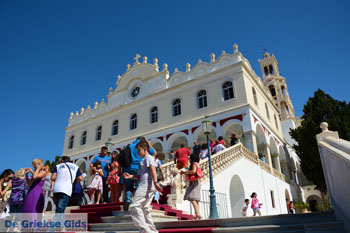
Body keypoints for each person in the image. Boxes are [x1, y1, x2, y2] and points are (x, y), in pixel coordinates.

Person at [123, 140, 162, 233]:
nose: (137, 152)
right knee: (145, 208)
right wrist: (130, 176)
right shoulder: (144, 159)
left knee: (134, 206)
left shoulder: (148, 157)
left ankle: (145, 230)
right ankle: (152, 230)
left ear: (145, 149)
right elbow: (140, 175)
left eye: (139, 150)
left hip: (146, 185)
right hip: (147, 184)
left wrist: (156, 182)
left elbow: (153, 169)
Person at [123, 137, 157, 211]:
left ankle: (128, 199)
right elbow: (154, 153)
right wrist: (149, 144)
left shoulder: (130, 146)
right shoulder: (142, 146)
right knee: (139, 185)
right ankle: (140, 202)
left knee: (129, 186)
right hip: (139, 167)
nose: (138, 152)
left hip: (130, 167)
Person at [181, 153, 202, 220]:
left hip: (194, 182)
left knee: (192, 197)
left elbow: (193, 171)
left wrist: (185, 172)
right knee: (195, 199)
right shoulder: (197, 164)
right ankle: (197, 214)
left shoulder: (194, 164)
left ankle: (198, 214)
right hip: (197, 181)